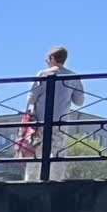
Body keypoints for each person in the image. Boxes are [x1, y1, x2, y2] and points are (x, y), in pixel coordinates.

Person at [20, 47, 82, 181]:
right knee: (58, 151)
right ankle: (56, 180)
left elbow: (31, 99)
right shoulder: (73, 76)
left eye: (47, 58)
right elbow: (79, 101)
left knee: (36, 151)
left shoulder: (43, 74)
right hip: (61, 121)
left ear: (52, 58)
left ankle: (32, 180)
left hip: (40, 121)